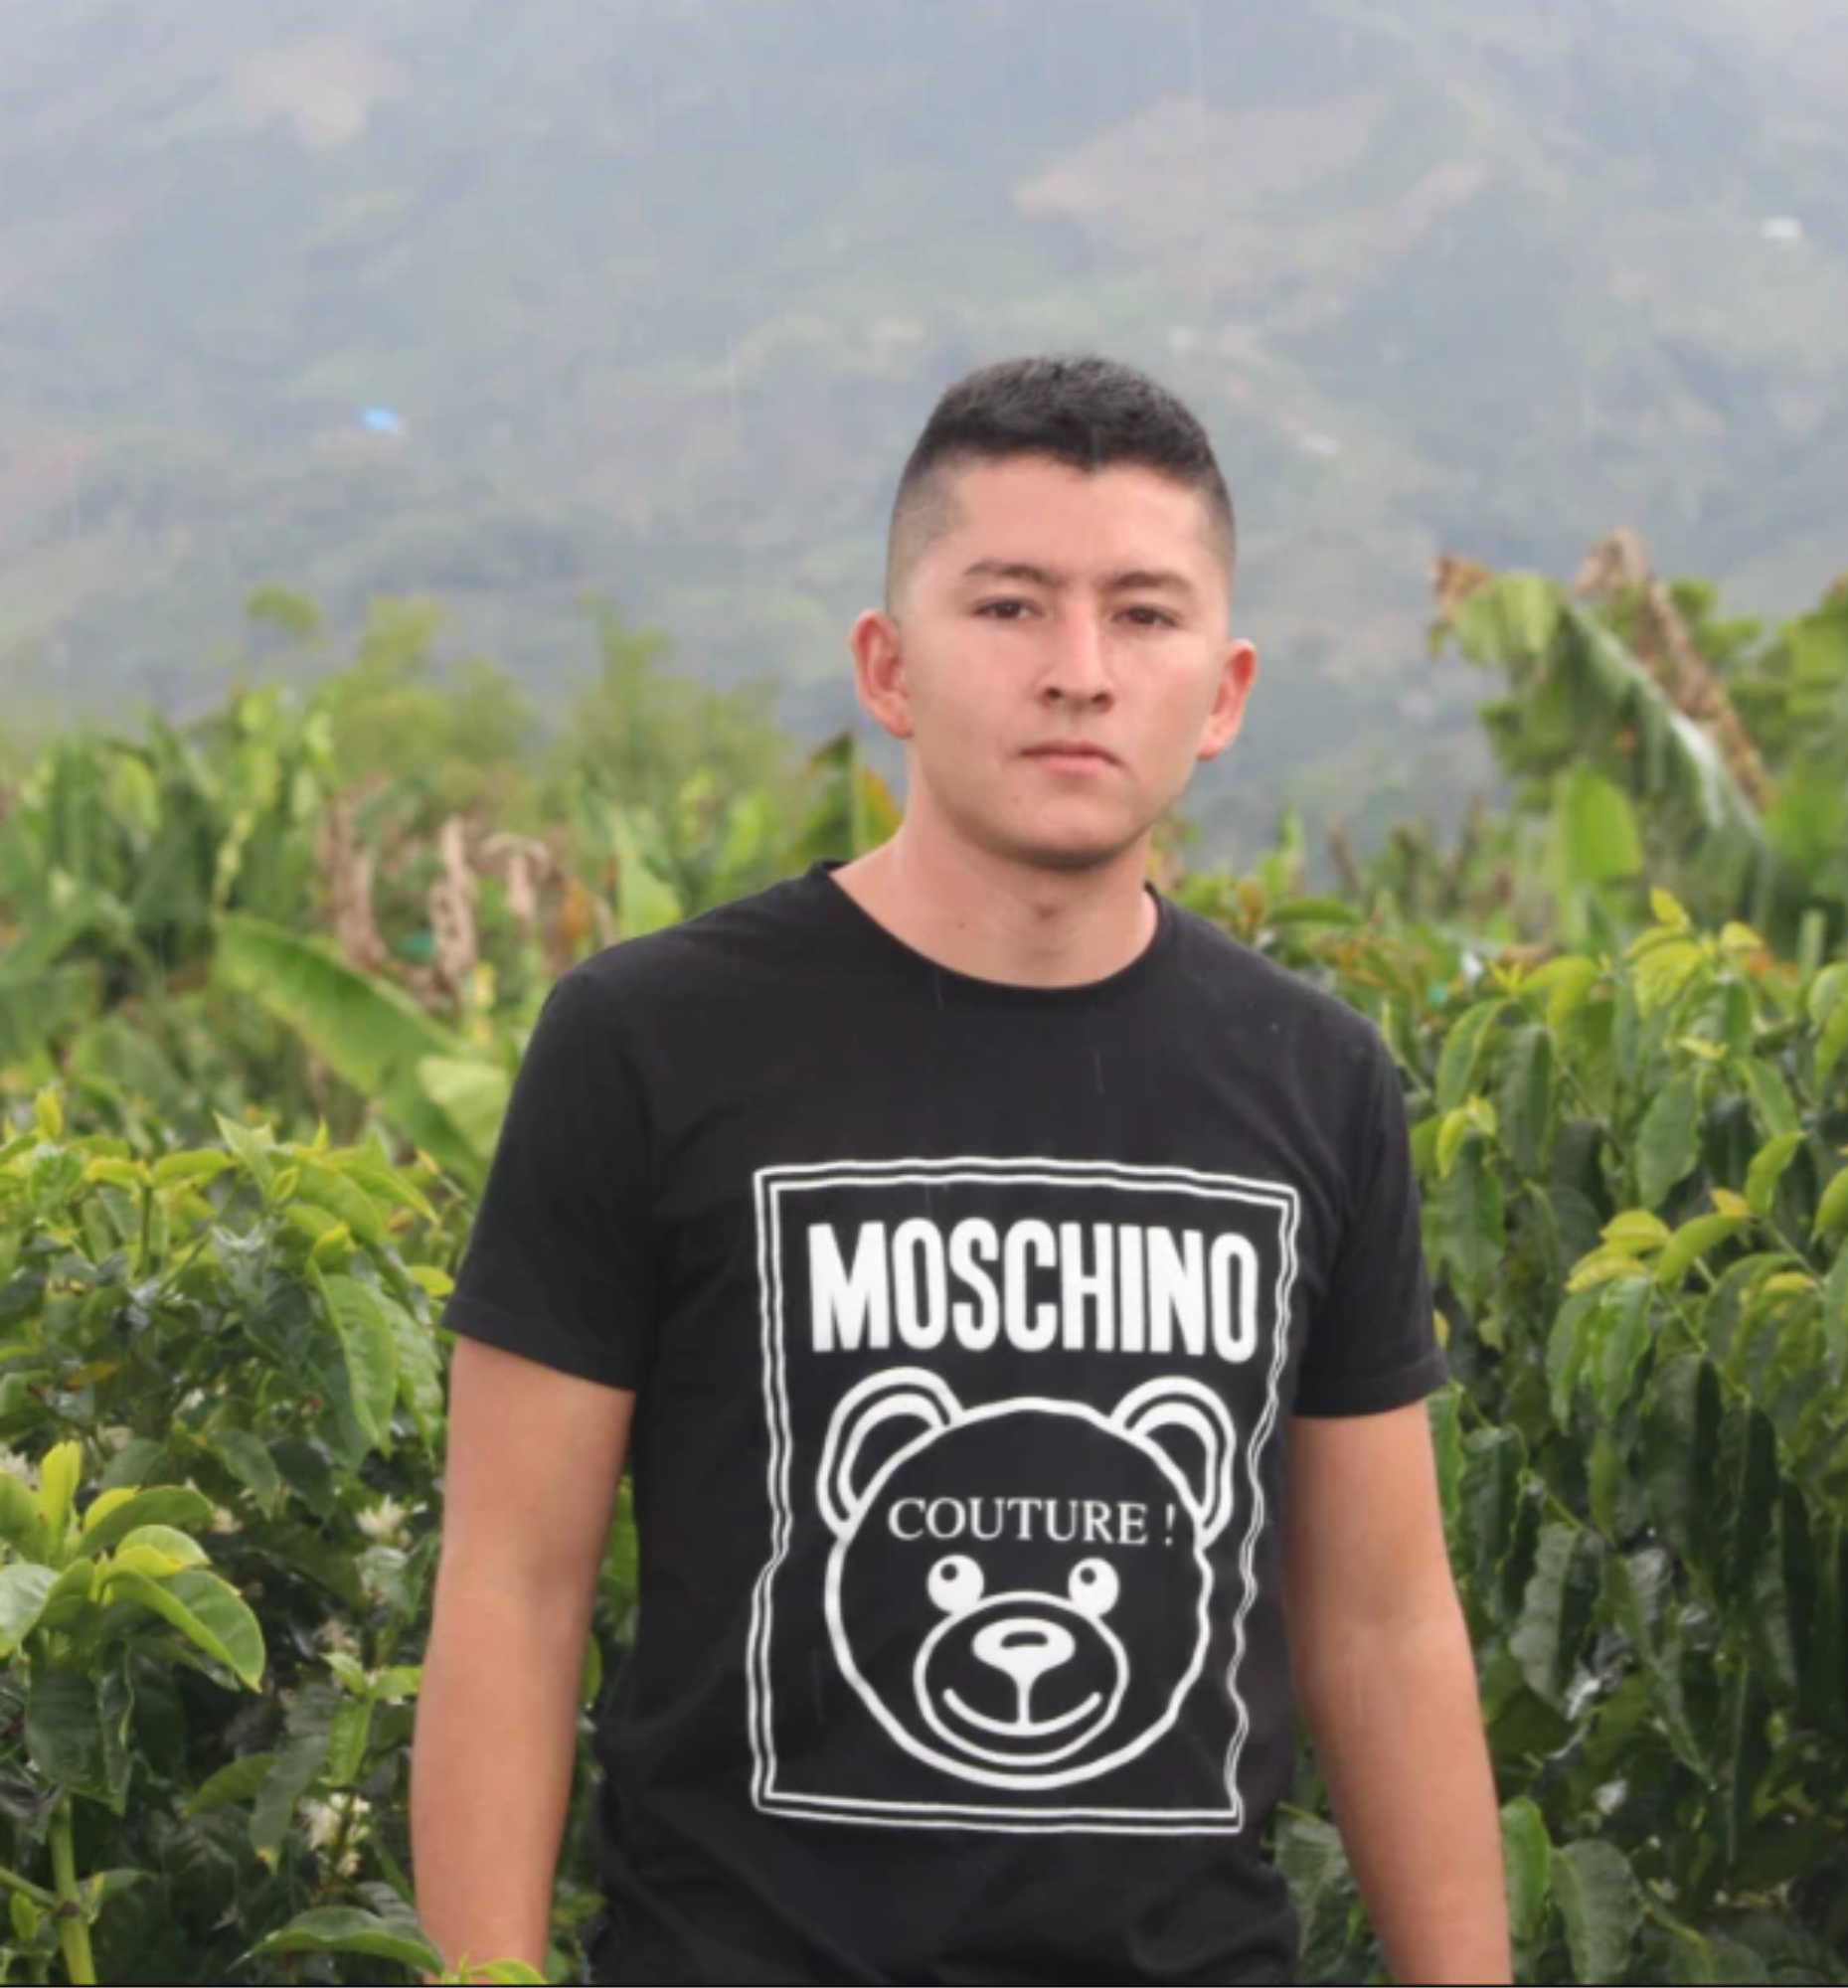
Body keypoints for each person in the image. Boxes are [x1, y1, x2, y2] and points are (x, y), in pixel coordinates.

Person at [410, 353, 1510, 1985]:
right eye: (1008, 607)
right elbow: (510, 1588)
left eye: (1143, 615)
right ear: (889, 664)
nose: (1079, 671)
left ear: (1224, 690)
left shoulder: (1315, 1079)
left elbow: (1383, 1624)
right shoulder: (649, 1041)